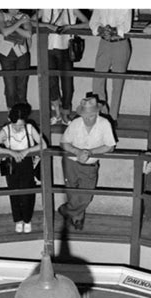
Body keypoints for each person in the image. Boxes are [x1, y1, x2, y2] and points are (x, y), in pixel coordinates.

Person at [60, 96, 116, 230]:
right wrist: (77, 151)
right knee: (72, 193)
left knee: (86, 197)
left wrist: (89, 152)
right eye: (85, 115)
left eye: (91, 116)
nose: (87, 119)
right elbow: (64, 143)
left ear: (97, 113)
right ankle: (77, 217)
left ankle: (66, 210)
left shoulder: (104, 124)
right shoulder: (76, 123)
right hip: (71, 162)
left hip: (90, 166)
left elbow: (110, 146)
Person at [0, 103, 44, 233]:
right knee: (14, 193)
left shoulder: (30, 128)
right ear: (10, 120)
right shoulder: (6, 130)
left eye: (21, 125)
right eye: (15, 125)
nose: (18, 128)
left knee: (27, 193)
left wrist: (26, 151)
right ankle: (18, 220)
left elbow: (43, 145)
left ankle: (27, 219)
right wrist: (11, 152)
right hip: (11, 164)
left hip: (27, 163)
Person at [39, 9, 89, 125]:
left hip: (66, 49)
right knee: (52, 83)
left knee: (68, 85)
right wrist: (47, 25)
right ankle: (57, 113)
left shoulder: (71, 7)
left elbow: (87, 23)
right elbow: (30, 21)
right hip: (49, 48)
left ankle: (65, 114)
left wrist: (70, 27)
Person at [89, 9, 133, 123]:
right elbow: (93, 22)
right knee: (97, 80)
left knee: (117, 83)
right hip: (104, 43)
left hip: (120, 43)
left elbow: (126, 26)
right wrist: (102, 30)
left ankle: (113, 118)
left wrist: (112, 31)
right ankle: (103, 114)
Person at [0, 10, 32, 109]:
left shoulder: (24, 15)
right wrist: (19, 23)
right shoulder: (1, 14)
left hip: (22, 53)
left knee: (22, 85)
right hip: (5, 53)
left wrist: (13, 26)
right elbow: (5, 32)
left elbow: (28, 34)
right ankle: (11, 113)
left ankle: (22, 113)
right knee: (10, 86)